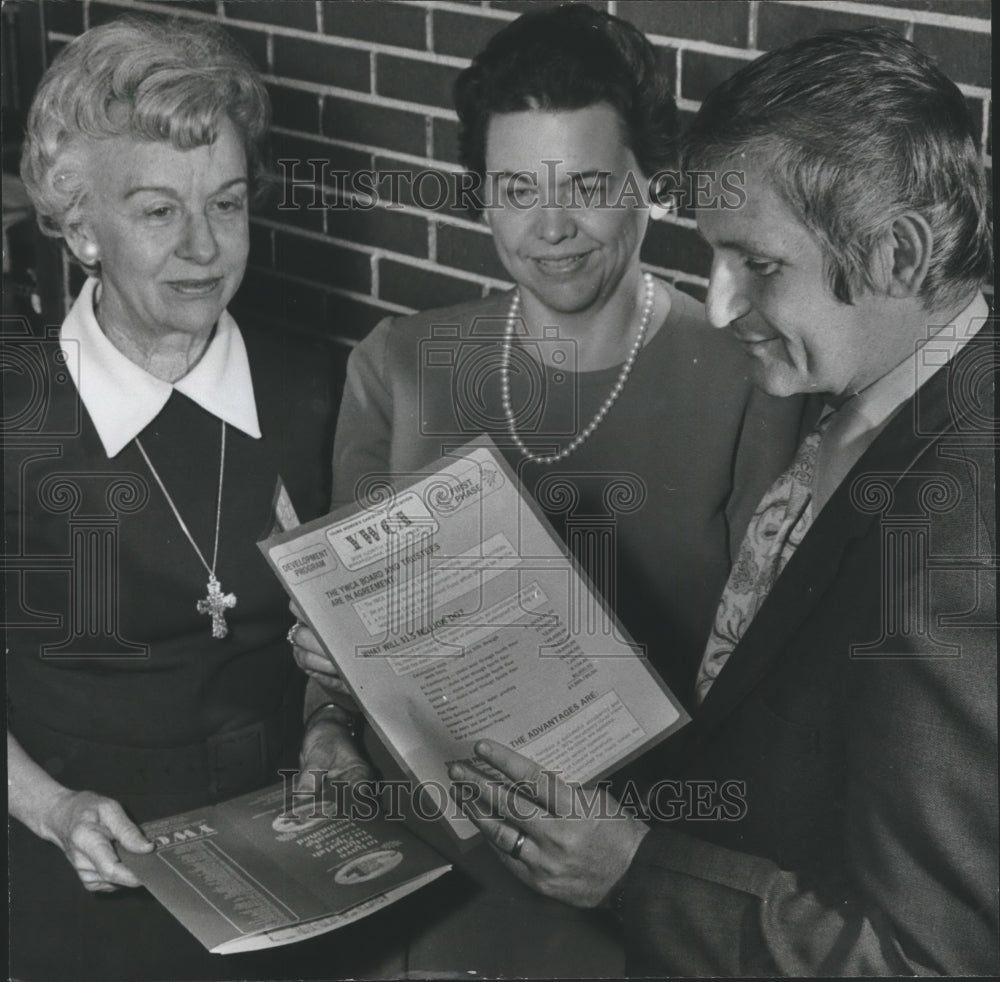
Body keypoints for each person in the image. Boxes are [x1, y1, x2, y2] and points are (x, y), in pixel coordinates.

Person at [448, 27, 997, 976]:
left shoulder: (958, 531)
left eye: (761, 266)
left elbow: (927, 961)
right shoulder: (888, 400)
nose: (717, 303)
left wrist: (634, 872)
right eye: (710, 259)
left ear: (902, 253)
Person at [5, 17, 389, 981]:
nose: (205, 248)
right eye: (157, 212)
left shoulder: (322, 390)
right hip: (73, 867)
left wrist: (330, 729)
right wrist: (49, 806)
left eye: (226, 203)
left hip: (283, 867)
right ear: (81, 225)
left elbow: (347, 644)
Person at [293, 3, 803, 712]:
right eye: (518, 190)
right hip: (429, 810)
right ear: (482, 201)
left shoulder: (754, 381)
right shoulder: (397, 366)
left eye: (587, 188)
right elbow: (349, 654)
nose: (553, 228)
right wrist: (328, 715)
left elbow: (767, 679)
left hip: (642, 809)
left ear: (655, 189)